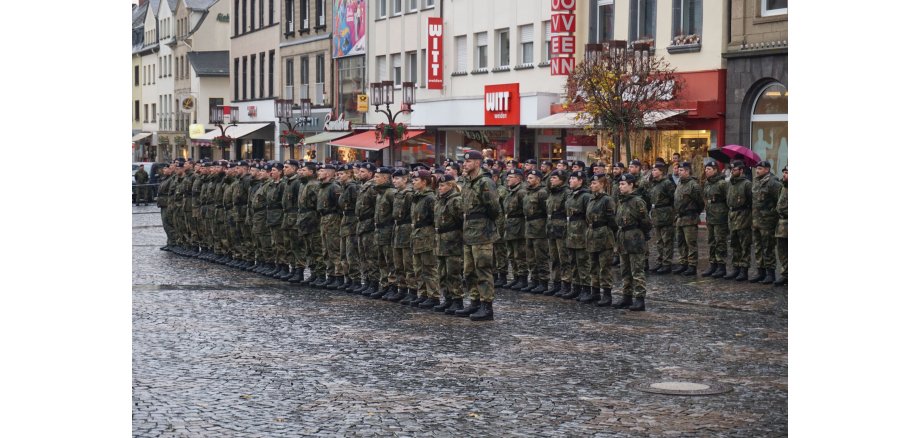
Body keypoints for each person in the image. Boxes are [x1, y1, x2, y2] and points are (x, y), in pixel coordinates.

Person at [456, 150, 502, 321]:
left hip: (482, 232)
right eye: (464, 162)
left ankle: (486, 306)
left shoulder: (485, 182)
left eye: (468, 162)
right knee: (469, 271)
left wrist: (484, 223)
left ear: (477, 163)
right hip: (469, 231)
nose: (465, 164)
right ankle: (474, 302)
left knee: (483, 269)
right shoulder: (468, 182)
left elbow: (494, 208)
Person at [613, 174, 653, 311]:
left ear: (631, 185)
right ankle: (627, 296)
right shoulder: (621, 201)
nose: (620, 186)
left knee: (637, 270)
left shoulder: (637, 201)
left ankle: (640, 299)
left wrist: (640, 233)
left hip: (635, 237)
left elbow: (646, 222)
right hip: (623, 237)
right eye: (620, 184)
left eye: (623, 184)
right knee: (625, 270)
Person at [429, 174, 465, 313]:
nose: (440, 188)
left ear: (450, 186)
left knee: (453, 272)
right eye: (439, 185)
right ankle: (447, 299)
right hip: (440, 240)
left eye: (443, 185)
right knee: (442, 272)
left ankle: (457, 300)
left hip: (452, 240)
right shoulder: (440, 200)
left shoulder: (455, 200)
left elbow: (461, 221)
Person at [406, 170, 439, 308]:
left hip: (427, 236)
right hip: (417, 235)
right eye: (413, 180)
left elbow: (435, 219)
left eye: (416, 180)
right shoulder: (417, 197)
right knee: (418, 268)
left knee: (429, 267)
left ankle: (434, 296)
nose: (413, 182)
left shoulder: (430, 198)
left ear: (424, 182)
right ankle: (424, 294)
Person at [582, 174, 616, 305]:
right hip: (591, 235)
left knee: (604, 266)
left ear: (602, 184)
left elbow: (612, 220)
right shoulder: (591, 199)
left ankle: (607, 294)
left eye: (594, 183)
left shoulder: (607, 200)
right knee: (593, 265)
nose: (592, 185)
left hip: (603, 235)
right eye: (591, 183)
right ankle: (595, 292)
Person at [750, 160, 783, 284]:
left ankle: (770, 273)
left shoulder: (773, 183)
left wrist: (773, 216)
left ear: (767, 169)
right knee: (758, 247)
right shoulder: (756, 182)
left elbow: (779, 202)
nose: (757, 171)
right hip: (756, 222)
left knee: (768, 248)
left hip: (768, 222)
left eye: (760, 169)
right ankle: (761, 272)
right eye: (757, 168)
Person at [561, 170, 590, 299]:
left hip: (581, 232)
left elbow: (588, 216)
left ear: (580, 181)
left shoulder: (585, 196)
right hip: (571, 232)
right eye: (570, 178)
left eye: (573, 179)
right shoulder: (571, 195)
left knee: (583, 262)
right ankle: (576, 287)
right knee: (573, 262)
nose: (570, 181)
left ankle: (586, 289)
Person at [387, 168, 415, 303]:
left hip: (406, 228)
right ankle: (402, 288)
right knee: (398, 262)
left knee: (407, 262)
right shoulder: (397, 193)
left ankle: (412, 290)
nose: (394, 181)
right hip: (397, 228)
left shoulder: (409, 194)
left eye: (397, 178)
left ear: (405, 179)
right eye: (393, 178)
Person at [369, 167, 397, 299]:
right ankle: (384, 285)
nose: (375, 179)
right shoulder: (380, 193)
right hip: (379, 230)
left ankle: (393, 287)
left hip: (388, 229)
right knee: (381, 260)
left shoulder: (391, 193)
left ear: (385, 178)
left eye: (377, 177)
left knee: (390, 259)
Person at [672, 161, 703, 276]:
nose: (678, 172)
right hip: (680, 218)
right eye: (678, 170)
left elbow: (700, 202)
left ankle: (692, 265)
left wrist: (694, 212)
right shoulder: (680, 183)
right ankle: (683, 263)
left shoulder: (693, 185)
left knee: (691, 243)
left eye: (681, 170)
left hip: (690, 218)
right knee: (681, 242)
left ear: (687, 171)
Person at [724, 160, 754, 281]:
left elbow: (752, 201)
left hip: (743, 216)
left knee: (744, 244)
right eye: (731, 169)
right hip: (732, 216)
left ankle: (744, 270)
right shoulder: (730, 183)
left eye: (734, 169)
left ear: (741, 170)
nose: (732, 171)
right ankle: (736, 267)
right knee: (734, 244)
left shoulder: (747, 184)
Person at [522, 170, 550, 294]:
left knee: (541, 256)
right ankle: (534, 280)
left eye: (531, 178)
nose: (528, 180)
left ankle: (543, 282)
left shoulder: (542, 193)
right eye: (528, 178)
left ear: (538, 179)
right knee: (530, 257)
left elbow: (546, 211)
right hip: (529, 227)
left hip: (539, 228)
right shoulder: (528, 192)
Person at [316, 163, 344, 287]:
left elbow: (340, 205)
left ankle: (339, 276)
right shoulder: (322, 186)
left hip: (332, 218)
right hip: (324, 218)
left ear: (327, 173)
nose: (319, 173)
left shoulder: (334, 187)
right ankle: (331, 274)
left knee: (334, 248)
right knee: (326, 249)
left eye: (321, 171)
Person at [701, 161, 730, 278]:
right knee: (711, 241)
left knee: (720, 241)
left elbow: (728, 199)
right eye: (706, 169)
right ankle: (713, 264)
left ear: (715, 170)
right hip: (710, 216)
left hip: (720, 217)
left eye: (709, 169)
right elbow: (705, 197)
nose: (706, 171)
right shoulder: (707, 183)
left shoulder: (722, 183)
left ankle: (721, 266)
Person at [545, 170, 571, 295]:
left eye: (554, 178)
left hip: (562, 228)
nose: (551, 180)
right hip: (551, 228)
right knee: (554, 258)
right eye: (551, 177)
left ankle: (566, 284)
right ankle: (556, 283)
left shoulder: (566, 193)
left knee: (564, 258)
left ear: (562, 180)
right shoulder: (552, 192)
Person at [353, 163, 379, 294]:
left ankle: (374, 283)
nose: (359, 174)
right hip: (362, 223)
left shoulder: (373, 187)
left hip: (369, 224)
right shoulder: (363, 186)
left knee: (371, 256)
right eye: (359, 171)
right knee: (363, 255)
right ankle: (367, 281)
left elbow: (376, 207)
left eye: (363, 172)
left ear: (370, 173)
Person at [647, 162, 677, 274]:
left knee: (667, 240)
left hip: (666, 214)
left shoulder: (667, 183)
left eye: (655, 170)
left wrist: (672, 212)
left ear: (661, 171)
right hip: (656, 214)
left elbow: (673, 198)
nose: (653, 172)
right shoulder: (653, 184)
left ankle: (667, 263)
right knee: (659, 241)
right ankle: (660, 261)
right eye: (652, 170)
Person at [502, 169, 528, 290]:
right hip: (510, 226)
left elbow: (526, 210)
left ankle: (523, 278)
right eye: (508, 177)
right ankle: (516, 277)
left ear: (518, 179)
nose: (507, 179)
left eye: (511, 177)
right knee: (511, 255)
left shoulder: (521, 192)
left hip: (519, 226)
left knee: (520, 254)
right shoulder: (510, 191)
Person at [774, 166, 788, 286]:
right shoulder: (782, 187)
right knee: (782, 250)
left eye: (787, 173)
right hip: (782, 224)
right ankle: (785, 273)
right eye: (784, 172)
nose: (784, 174)